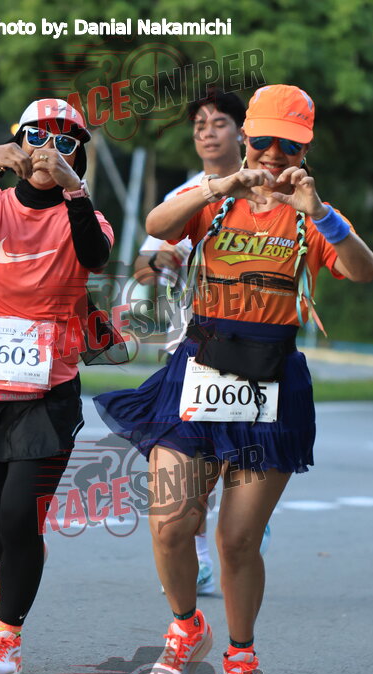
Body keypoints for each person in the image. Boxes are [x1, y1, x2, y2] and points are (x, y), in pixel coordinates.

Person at [95, 84, 373, 674]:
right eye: (263, 140)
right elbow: (157, 227)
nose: (274, 154)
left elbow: (363, 271)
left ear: (305, 149)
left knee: (237, 540)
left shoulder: (313, 213)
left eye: (289, 145)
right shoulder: (212, 199)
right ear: (247, 139)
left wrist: (320, 213)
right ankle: (185, 627)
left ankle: (242, 656)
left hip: (271, 380)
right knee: (172, 523)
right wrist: (219, 186)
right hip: (198, 368)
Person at [0, 98, 114, 674]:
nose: (49, 151)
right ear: (18, 142)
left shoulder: (88, 216)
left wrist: (75, 191)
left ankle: (5, 641)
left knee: (17, 517)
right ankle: (21, 559)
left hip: (47, 394)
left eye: (65, 143)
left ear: (78, 157)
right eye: (37, 137)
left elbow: (95, 255)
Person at [134, 88, 255, 596]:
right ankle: (201, 553)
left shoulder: (270, 191)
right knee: (192, 460)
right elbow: (142, 266)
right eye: (199, 124)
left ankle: (243, 520)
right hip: (191, 347)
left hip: (256, 350)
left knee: (236, 462)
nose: (207, 132)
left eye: (218, 122)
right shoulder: (184, 195)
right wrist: (161, 261)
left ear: (243, 133)